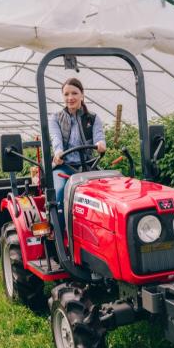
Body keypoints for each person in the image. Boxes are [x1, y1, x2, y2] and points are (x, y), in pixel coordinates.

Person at [48, 78, 106, 232]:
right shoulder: (56, 118)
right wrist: (58, 152)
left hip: (87, 165)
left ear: (82, 95)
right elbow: (56, 139)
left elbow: (99, 136)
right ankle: (58, 234)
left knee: (107, 189)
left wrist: (100, 144)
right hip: (64, 167)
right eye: (66, 94)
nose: (70, 97)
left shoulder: (92, 118)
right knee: (59, 193)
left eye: (74, 93)